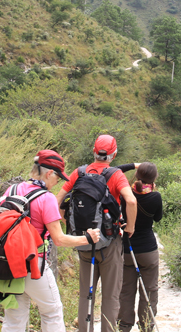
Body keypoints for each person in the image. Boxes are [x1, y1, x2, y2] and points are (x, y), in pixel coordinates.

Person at [0, 149, 102, 332]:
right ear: (49, 173)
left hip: (7, 262)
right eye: (58, 178)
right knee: (52, 311)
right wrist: (87, 238)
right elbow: (59, 239)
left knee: (14, 318)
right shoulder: (46, 198)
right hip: (32, 263)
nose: (57, 182)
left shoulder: (12, 189)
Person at [56, 135, 137, 332]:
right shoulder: (116, 174)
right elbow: (131, 201)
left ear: (94, 151)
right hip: (109, 241)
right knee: (110, 295)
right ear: (114, 153)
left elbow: (57, 202)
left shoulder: (79, 173)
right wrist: (130, 228)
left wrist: (70, 225)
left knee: (86, 294)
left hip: (84, 241)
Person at [118, 162, 163, 332]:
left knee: (126, 291)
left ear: (137, 176)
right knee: (149, 290)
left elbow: (113, 171)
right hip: (148, 250)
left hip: (127, 248)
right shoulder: (155, 197)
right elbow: (158, 218)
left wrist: (132, 165)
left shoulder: (124, 194)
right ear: (153, 180)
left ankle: (123, 326)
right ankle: (146, 326)